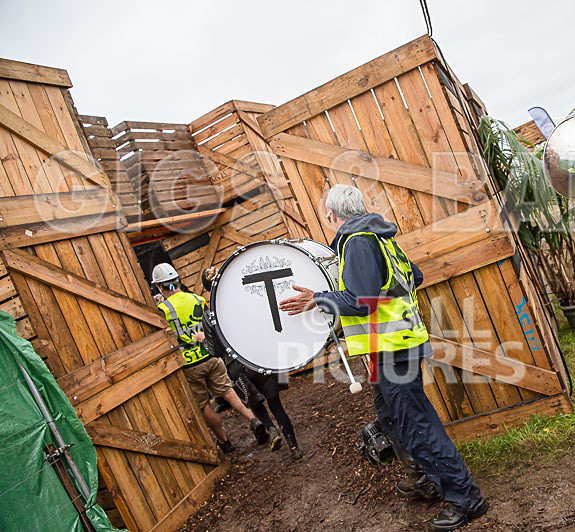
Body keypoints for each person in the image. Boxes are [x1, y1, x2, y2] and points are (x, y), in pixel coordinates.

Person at [278, 184, 488, 530]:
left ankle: (465, 497)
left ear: (331, 215)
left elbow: (361, 300)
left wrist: (319, 298)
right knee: (391, 416)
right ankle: (424, 478)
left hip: (393, 348)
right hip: (394, 345)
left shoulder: (357, 241)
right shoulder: (380, 237)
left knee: (417, 424)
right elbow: (413, 277)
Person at [151, 263, 268, 452]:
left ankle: (225, 442)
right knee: (228, 391)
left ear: (159, 286)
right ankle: (253, 420)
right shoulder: (197, 299)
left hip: (189, 363)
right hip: (211, 355)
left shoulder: (162, 310)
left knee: (203, 404)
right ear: (177, 281)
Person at [199, 266, 305, 461]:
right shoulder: (241, 302)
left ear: (206, 289)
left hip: (236, 368)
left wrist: (202, 340)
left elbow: (214, 350)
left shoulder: (208, 315)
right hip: (256, 357)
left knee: (257, 405)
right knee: (276, 405)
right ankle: (294, 447)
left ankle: (270, 429)